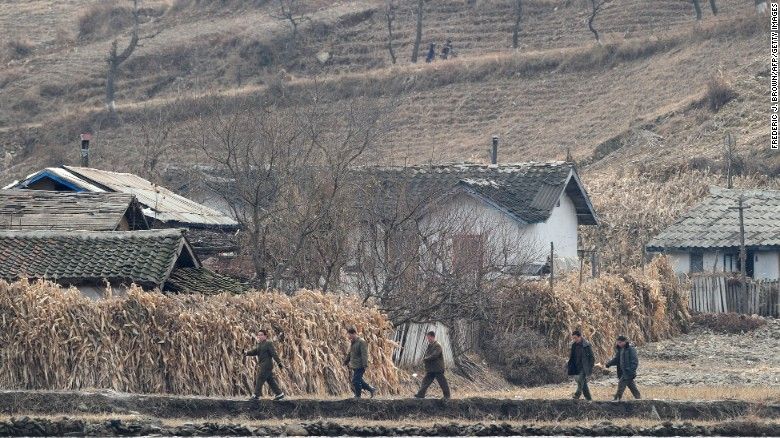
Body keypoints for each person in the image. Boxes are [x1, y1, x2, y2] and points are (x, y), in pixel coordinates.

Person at [244, 329, 286, 401]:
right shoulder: (260, 344)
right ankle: (279, 394)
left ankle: (256, 395)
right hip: (263, 365)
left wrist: (279, 363)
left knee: (260, 378)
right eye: (258, 335)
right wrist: (246, 353)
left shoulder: (268, 344)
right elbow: (254, 352)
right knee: (270, 380)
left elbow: (274, 354)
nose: (259, 336)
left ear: (265, 336)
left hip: (267, 365)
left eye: (261, 335)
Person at [414, 331, 451, 399]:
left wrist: (425, 359)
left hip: (437, 368)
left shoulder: (437, 345)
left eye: (429, 338)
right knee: (425, 381)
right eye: (427, 338)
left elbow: (435, 355)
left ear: (433, 337)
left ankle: (447, 396)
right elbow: (429, 355)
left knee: (442, 382)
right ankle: (420, 394)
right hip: (431, 369)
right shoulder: (430, 345)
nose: (428, 339)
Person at [605, 335, 641, 401]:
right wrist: (608, 364)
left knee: (621, 385)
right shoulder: (621, 349)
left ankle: (616, 400)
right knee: (632, 386)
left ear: (625, 342)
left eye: (620, 342)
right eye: (618, 342)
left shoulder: (631, 349)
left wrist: (630, 370)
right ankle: (639, 399)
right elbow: (616, 359)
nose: (618, 344)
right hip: (622, 372)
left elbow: (635, 361)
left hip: (628, 372)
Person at [343, 327, 376, 399]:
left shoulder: (361, 342)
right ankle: (371, 389)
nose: (349, 337)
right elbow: (350, 353)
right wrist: (346, 361)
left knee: (355, 381)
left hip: (360, 365)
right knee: (359, 380)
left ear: (354, 333)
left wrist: (365, 364)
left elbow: (364, 354)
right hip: (355, 365)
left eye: (350, 335)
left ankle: (358, 396)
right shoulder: (353, 342)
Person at [566, 330, 595, 401]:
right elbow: (572, 356)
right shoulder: (574, 345)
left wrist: (590, 366)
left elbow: (592, 357)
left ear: (580, 337)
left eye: (575, 338)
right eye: (573, 338)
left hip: (584, 367)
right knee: (583, 383)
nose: (574, 339)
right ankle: (589, 398)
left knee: (580, 380)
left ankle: (576, 395)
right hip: (576, 366)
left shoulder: (587, 345)